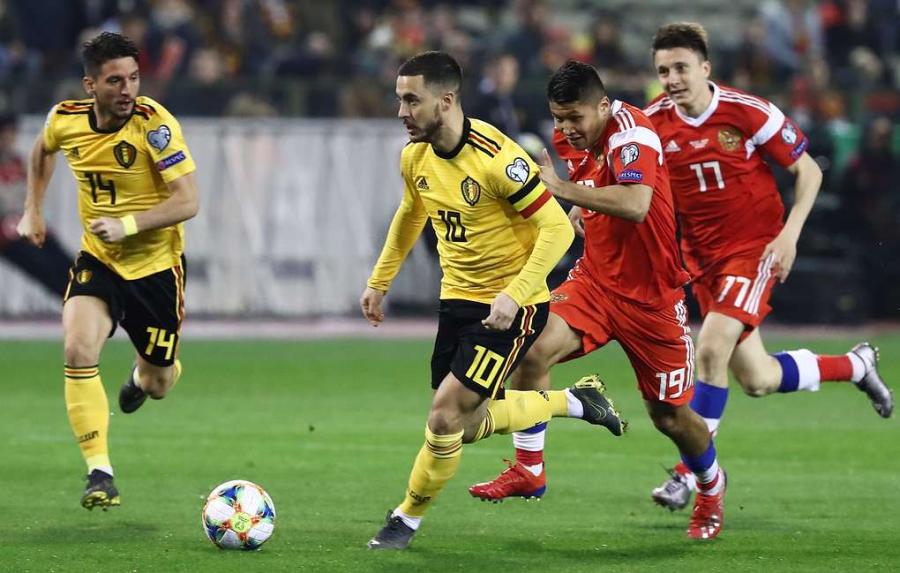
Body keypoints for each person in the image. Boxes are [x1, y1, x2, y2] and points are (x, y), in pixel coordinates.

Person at [360, 51, 625, 551]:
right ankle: (575, 402)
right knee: (466, 425)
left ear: (446, 100)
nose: (402, 112)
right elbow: (411, 213)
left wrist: (515, 294)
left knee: (444, 417)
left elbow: (555, 229)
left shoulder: (497, 157)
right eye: (400, 100)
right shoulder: (415, 156)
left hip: (511, 309)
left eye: (412, 101)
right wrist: (380, 280)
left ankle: (404, 519)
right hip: (457, 303)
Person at [470, 60, 727, 541]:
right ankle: (530, 468)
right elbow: (591, 184)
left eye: (575, 117)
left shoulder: (634, 134)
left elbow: (635, 204)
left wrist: (562, 190)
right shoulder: (574, 136)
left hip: (652, 299)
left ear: (604, 106)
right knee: (531, 348)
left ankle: (711, 487)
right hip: (595, 282)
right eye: (559, 117)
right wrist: (575, 209)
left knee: (669, 416)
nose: (566, 128)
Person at [642, 22, 892, 511]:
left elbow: (808, 170)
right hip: (702, 262)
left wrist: (789, 235)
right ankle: (856, 365)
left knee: (710, 347)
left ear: (705, 68)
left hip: (754, 250)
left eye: (681, 68)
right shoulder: (652, 123)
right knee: (758, 379)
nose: (672, 79)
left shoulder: (747, 111)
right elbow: (625, 176)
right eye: (663, 71)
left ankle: (690, 474)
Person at [17, 32, 199, 510]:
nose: (128, 90)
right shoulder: (66, 119)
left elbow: (188, 200)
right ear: (90, 85)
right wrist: (33, 209)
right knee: (77, 348)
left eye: (134, 78)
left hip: (156, 269)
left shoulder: (154, 125)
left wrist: (128, 224)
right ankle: (100, 472)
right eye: (115, 81)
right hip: (99, 259)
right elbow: (42, 149)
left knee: (159, 383)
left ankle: (141, 378)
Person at [0, 113, 73, 297]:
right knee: (43, 268)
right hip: (6, 234)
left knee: (66, 263)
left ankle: (85, 298)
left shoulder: (17, 163)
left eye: (11, 135)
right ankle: (72, 300)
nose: (8, 140)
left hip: (24, 224)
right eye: (5, 135)